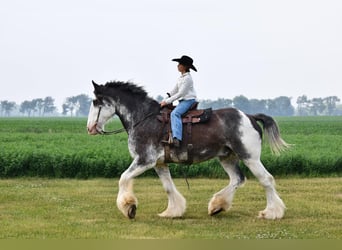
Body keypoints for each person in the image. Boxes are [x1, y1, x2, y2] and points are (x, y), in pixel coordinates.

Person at [160, 55, 198, 147]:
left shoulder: (188, 78)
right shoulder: (181, 78)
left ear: (184, 66)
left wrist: (167, 102)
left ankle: (177, 138)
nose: (178, 65)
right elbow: (174, 91)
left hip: (188, 101)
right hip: (183, 101)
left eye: (180, 64)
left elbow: (180, 93)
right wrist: (164, 99)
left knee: (175, 114)